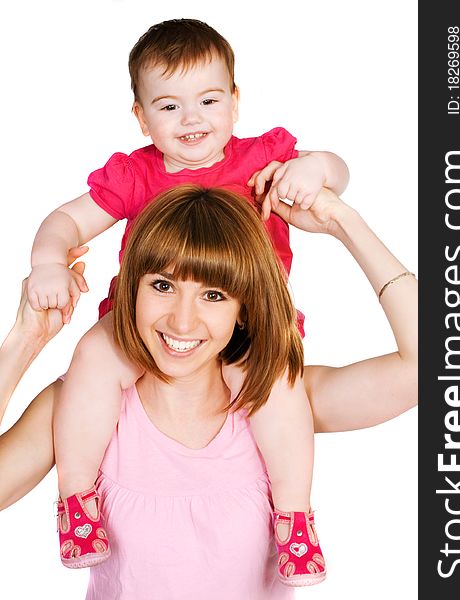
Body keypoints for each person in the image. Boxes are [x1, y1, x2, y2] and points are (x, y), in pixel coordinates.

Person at [24, 18, 350, 582]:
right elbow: (64, 219)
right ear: (141, 116)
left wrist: (315, 169)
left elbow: (337, 172)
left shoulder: (260, 159)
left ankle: (294, 517)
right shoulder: (137, 175)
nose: (192, 118)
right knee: (92, 361)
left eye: (208, 99)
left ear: (234, 102)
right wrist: (48, 262)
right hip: (150, 327)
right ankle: (78, 503)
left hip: (249, 322)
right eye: (169, 106)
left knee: (279, 387)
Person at [0, 185, 417, 599]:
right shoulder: (80, 406)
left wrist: (343, 222)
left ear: (243, 309)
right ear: (132, 289)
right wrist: (24, 341)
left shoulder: (282, 401)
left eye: (213, 295)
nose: (182, 322)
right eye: (162, 286)